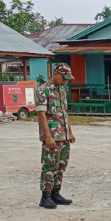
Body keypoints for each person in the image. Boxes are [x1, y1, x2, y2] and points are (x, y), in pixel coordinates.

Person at [36, 63, 76, 209]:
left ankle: (56, 193)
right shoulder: (43, 90)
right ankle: (45, 196)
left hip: (63, 135)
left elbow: (65, 113)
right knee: (50, 165)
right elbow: (41, 115)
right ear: (56, 74)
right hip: (52, 136)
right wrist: (48, 137)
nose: (65, 81)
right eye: (63, 78)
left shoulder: (62, 90)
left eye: (67, 79)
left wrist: (70, 132)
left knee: (61, 165)